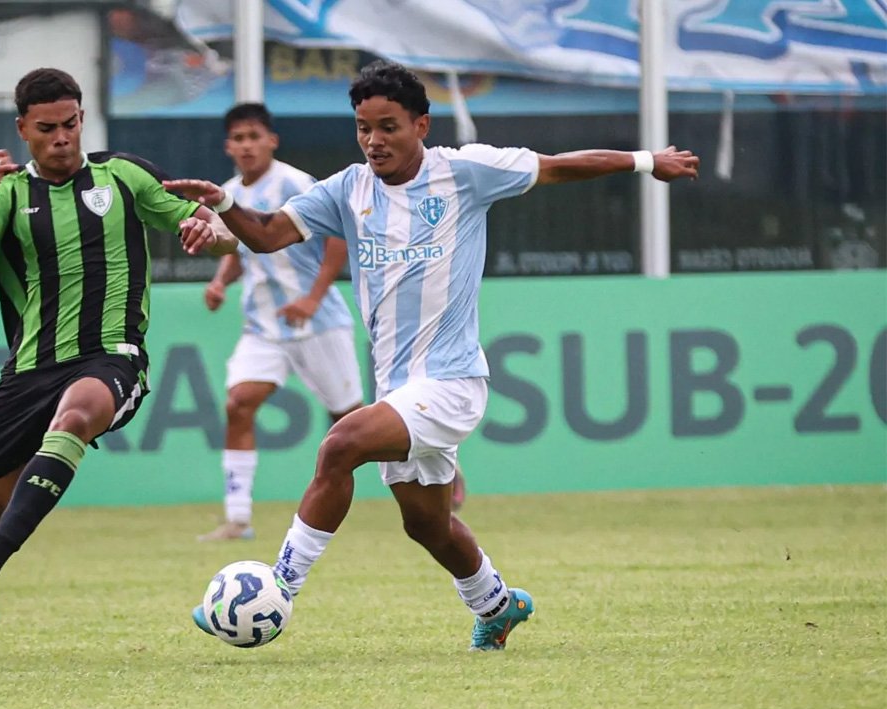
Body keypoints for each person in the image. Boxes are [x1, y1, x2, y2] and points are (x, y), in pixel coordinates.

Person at [168, 60, 699, 651]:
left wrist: (650, 162)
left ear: (421, 125)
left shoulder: (465, 171)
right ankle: (496, 605)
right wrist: (224, 207)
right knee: (426, 524)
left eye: (388, 126)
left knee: (340, 444)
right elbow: (266, 234)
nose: (374, 140)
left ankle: (279, 589)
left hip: (451, 381)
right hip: (397, 388)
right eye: (364, 127)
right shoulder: (348, 189)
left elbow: (557, 166)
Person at [0, 67, 235, 660]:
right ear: (23, 129)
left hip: (112, 355)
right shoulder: (9, 193)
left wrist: (211, 228)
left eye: (70, 124)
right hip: (29, 369)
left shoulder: (124, 176)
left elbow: (212, 233)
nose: (62, 137)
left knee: (75, 417)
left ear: (81, 120)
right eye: (47, 128)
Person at [197, 102, 364, 542]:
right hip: (264, 326)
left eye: (255, 136)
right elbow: (238, 251)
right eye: (239, 138)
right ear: (228, 146)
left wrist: (312, 299)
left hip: (318, 322)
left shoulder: (295, 183)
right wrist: (220, 283)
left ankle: (430, 471)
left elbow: (335, 239)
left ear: (272, 140)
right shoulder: (228, 194)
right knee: (239, 404)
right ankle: (237, 517)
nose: (247, 146)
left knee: (350, 421)